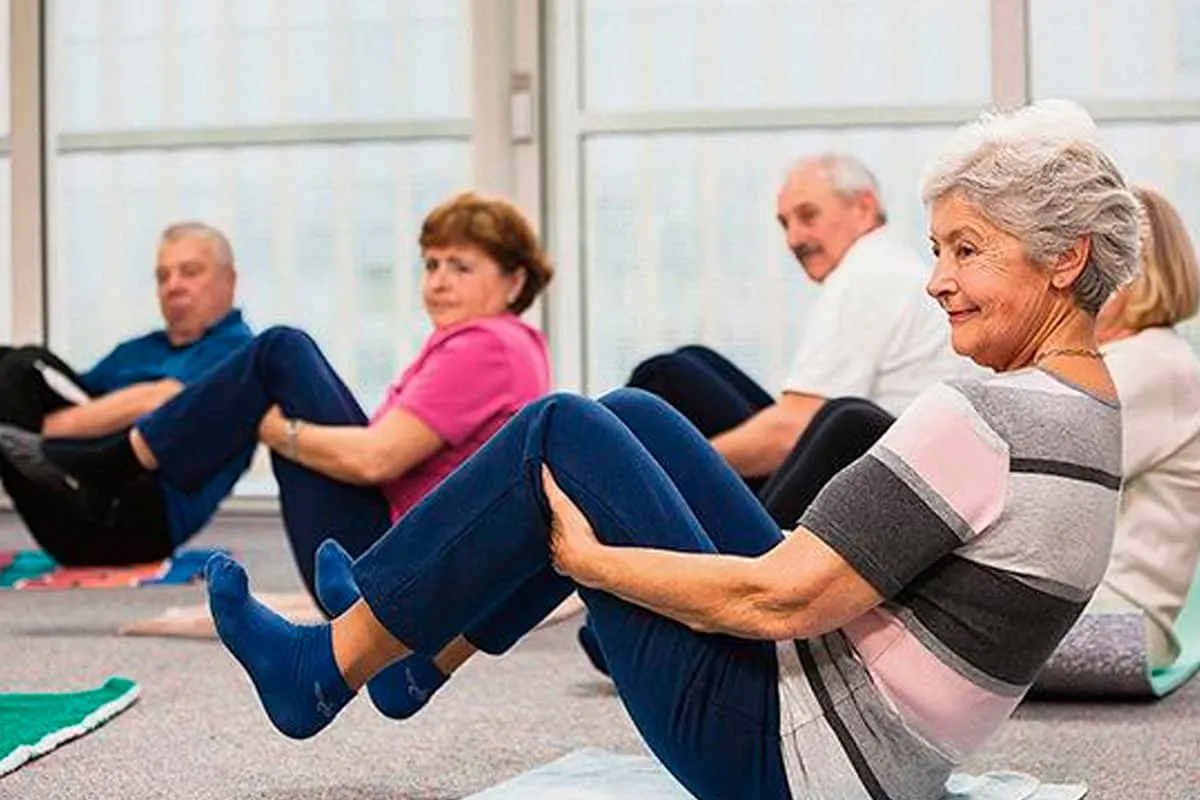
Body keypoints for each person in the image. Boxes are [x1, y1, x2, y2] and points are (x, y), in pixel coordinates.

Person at [197, 99, 1140, 799]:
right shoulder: (1085, 414)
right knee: (633, 414)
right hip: (861, 741)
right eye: (938, 250)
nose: (936, 281)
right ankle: (419, 651)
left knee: (560, 432)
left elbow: (780, 598)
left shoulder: (983, 417)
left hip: (781, 754)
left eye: (967, 251)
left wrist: (595, 564)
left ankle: (322, 670)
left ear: (1065, 258)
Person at [0, 191, 554, 614]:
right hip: (406, 556)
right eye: (431, 265)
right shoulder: (503, 346)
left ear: (514, 281)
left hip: (385, 569)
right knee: (278, 353)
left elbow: (374, 460)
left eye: (461, 266)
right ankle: (112, 464)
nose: (437, 282)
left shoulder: (486, 348)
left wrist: (273, 428)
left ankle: (113, 465)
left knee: (280, 350)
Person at [629, 153, 973, 498]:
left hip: (863, 484)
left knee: (663, 375)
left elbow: (790, 432)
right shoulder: (889, 264)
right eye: (785, 223)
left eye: (808, 216)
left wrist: (670, 469)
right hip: (875, 464)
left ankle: (614, 484)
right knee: (692, 360)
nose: (794, 238)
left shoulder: (867, 277)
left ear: (864, 207)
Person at [0, 221, 253, 566]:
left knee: (22, 367)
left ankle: (29, 450)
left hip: (134, 515)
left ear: (230, 280)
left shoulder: (239, 352)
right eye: (163, 277)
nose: (173, 286)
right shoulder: (139, 350)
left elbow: (164, 400)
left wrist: (27, 439)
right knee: (8, 368)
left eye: (190, 272)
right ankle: (30, 452)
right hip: (67, 527)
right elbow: (60, 396)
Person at [1088, 186, 1200, 669]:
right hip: (1096, 608)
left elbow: (1036, 484)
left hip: (1117, 621)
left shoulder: (1149, 367)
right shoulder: (1139, 359)